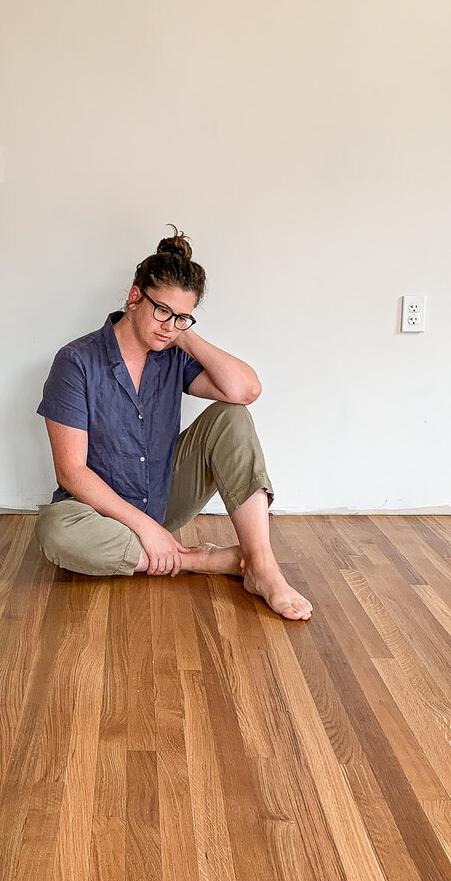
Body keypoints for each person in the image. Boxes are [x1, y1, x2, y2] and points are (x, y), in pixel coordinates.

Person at [35, 229, 312, 620]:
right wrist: (147, 530)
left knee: (231, 417)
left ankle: (261, 565)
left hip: (164, 497)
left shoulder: (173, 353)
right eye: (162, 311)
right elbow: (71, 472)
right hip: (99, 514)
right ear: (135, 298)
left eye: (182, 317)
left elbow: (246, 390)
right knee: (55, 533)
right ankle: (202, 561)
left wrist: (185, 337)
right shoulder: (76, 362)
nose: (169, 325)